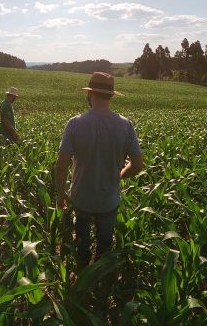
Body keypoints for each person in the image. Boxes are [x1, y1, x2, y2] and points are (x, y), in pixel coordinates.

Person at [55, 72, 144, 267]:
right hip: (108, 199)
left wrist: (60, 195)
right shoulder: (125, 125)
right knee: (105, 245)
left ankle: (81, 274)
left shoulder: (75, 123)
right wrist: (119, 176)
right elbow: (138, 165)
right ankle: (101, 281)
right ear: (111, 96)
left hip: (81, 197)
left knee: (82, 242)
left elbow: (61, 165)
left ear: (90, 94)